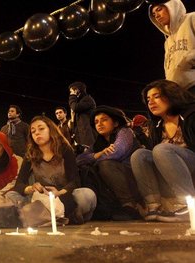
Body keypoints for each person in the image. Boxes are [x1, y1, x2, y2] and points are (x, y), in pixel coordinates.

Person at [9, 116, 97, 224]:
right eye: (33, 131)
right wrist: (31, 188)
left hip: (64, 196)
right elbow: (19, 184)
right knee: (11, 195)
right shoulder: (30, 155)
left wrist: (59, 193)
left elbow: (74, 181)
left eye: (41, 129)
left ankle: (51, 216)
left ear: (51, 130)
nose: (37, 133)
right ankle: (60, 216)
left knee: (86, 195)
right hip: (41, 200)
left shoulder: (65, 150)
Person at [131, 79, 195, 222]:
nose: (151, 102)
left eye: (156, 96)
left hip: (191, 168)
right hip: (171, 173)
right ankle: (154, 205)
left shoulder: (191, 115)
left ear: (172, 95)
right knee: (140, 155)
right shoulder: (157, 125)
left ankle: (187, 204)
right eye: (148, 99)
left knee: (161, 149)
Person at [77, 106, 142, 220]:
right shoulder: (98, 143)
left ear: (116, 123)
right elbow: (79, 160)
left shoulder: (125, 132)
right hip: (116, 184)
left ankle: (130, 205)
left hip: (134, 178)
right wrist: (98, 154)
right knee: (89, 168)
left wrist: (95, 159)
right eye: (96, 122)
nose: (99, 124)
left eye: (104, 120)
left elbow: (117, 152)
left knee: (105, 165)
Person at [149, 0, 195, 94]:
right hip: (177, 93)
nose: (156, 16)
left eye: (159, 9)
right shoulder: (167, 41)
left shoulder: (192, 18)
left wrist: (187, 61)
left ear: (172, 7)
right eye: (154, 14)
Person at [68, 82, 97, 148]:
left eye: (71, 91)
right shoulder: (81, 101)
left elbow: (75, 107)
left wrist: (72, 96)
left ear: (76, 90)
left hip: (88, 135)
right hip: (81, 135)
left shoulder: (88, 99)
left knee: (89, 155)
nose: (70, 94)